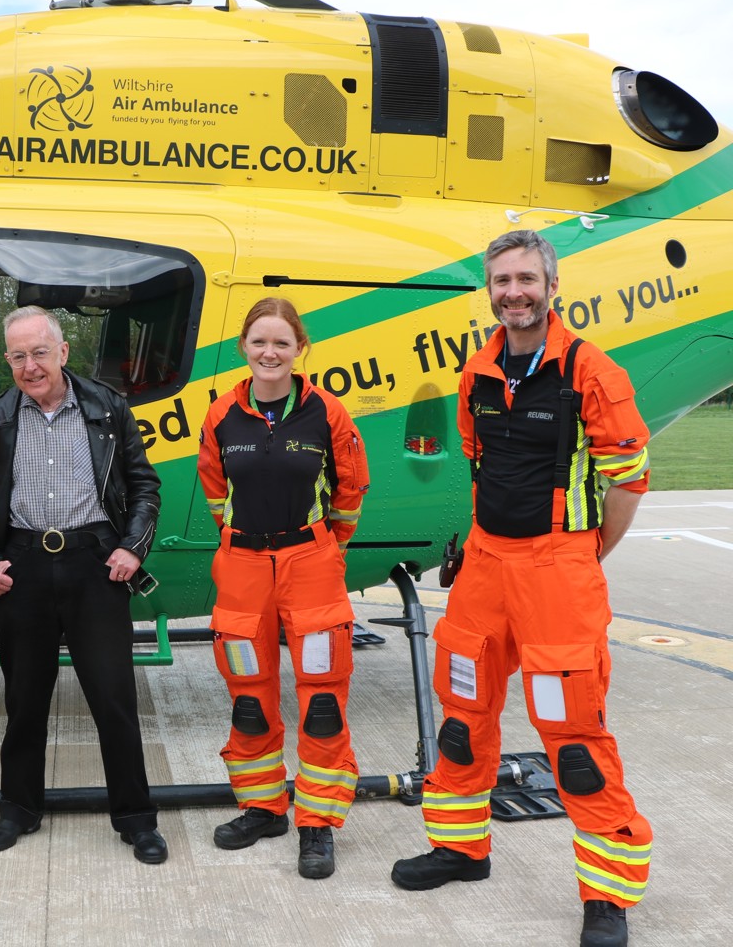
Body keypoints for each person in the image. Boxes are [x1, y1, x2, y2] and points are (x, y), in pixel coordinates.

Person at [390, 230, 652, 947]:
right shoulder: (476, 372)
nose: (514, 292)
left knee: (571, 735)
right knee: (461, 711)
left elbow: (628, 480)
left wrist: (584, 556)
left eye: (526, 278)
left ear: (552, 284)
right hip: (485, 564)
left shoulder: (593, 372)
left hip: (558, 569)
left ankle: (607, 896)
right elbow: (477, 460)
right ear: (491, 289)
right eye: (502, 280)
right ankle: (460, 846)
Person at [0, 306, 167, 865]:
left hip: (93, 566)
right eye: (18, 356)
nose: (30, 367)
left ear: (63, 352)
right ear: (8, 360)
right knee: (24, 702)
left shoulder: (107, 408)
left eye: (39, 353)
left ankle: (135, 818)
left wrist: (132, 546)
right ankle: (18, 809)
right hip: (22, 570)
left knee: (114, 700)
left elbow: (145, 486)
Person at [197, 297, 369, 880]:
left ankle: (317, 824)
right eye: (258, 342)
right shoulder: (221, 415)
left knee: (322, 701)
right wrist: (241, 544)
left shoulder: (328, 413)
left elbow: (350, 492)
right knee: (249, 697)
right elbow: (215, 492)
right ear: (244, 348)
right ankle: (262, 807)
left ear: (300, 350)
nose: (269, 353)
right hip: (243, 565)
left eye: (281, 343)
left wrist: (323, 549)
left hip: (311, 561)